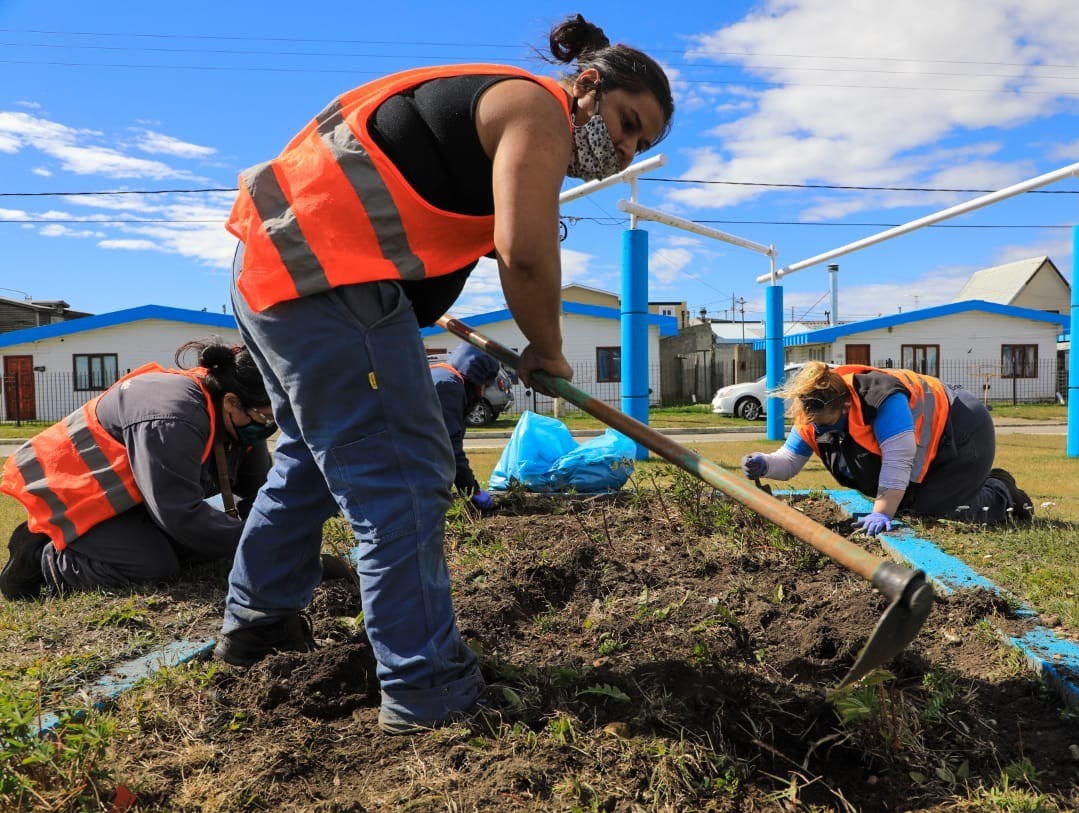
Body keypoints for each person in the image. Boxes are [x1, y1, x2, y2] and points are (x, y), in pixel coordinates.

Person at [214, 14, 673, 734]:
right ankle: (426, 688)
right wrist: (549, 350)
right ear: (586, 86)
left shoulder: (480, 114)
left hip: (271, 271)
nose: (626, 148)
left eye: (643, 143)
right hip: (331, 277)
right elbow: (523, 253)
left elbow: (492, 236)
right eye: (627, 123)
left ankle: (258, 626)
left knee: (307, 457)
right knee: (401, 474)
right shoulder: (536, 109)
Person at [0, 339, 276, 598]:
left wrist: (284, 536)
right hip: (74, 497)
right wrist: (268, 545)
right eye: (265, 418)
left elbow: (258, 495)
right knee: (150, 567)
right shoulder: (173, 416)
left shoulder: (238, 418)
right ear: (231, 401)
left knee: (210, 543)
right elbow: (180, 514)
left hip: (128, 499)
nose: (268, 427)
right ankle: (43, 556)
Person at [741, 362, 1033, 532]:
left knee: (936, 508)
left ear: (845, 405)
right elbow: (790, 461)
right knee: (908, 504)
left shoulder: (881, 399)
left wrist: (882, 512)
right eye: (813, 423)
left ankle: (1001, 490)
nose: (818, 430)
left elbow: (898, 460)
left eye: (825, 424)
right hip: (927, 441)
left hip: (963, 426)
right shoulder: (813, 412)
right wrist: (764, 463)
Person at [432, 344, 504, 513]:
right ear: (478, 379)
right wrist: (472, 491)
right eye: (486, 385)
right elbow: (450, 447)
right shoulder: (448, 386)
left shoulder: (440, 374)